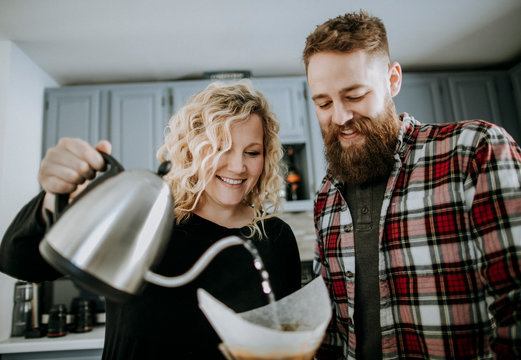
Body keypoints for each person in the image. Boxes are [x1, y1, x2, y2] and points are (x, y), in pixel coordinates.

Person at [0, 81, 302, 359]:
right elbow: (19, 262)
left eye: (252, 152)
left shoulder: (277, 239)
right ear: (190, 150)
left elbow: (288, 336)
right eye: (220, 148)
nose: (238, 166)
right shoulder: (145, 219)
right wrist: (54, 198)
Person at [302, 10, 521, 360]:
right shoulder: (327, 193)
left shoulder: (473, 151)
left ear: (392, 80)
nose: (339, 117)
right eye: (324, 103)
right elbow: (330, 324)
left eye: (355, 95)